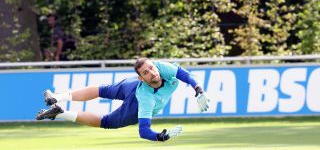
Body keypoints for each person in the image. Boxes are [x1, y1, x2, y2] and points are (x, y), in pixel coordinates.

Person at [36, 58, 210, 141]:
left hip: (131, 84)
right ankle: (60, 111)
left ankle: (56, 98)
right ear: (141, 78)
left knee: (102, 90)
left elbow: (186, 75)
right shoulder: (146, 99)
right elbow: (144, 131)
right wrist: (160, 136)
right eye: (146, 72)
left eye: (151, 68)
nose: (152, 72)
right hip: (137, 99)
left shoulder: (163, 68)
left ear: (156, 65)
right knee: (105, 122)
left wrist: (199, 90)